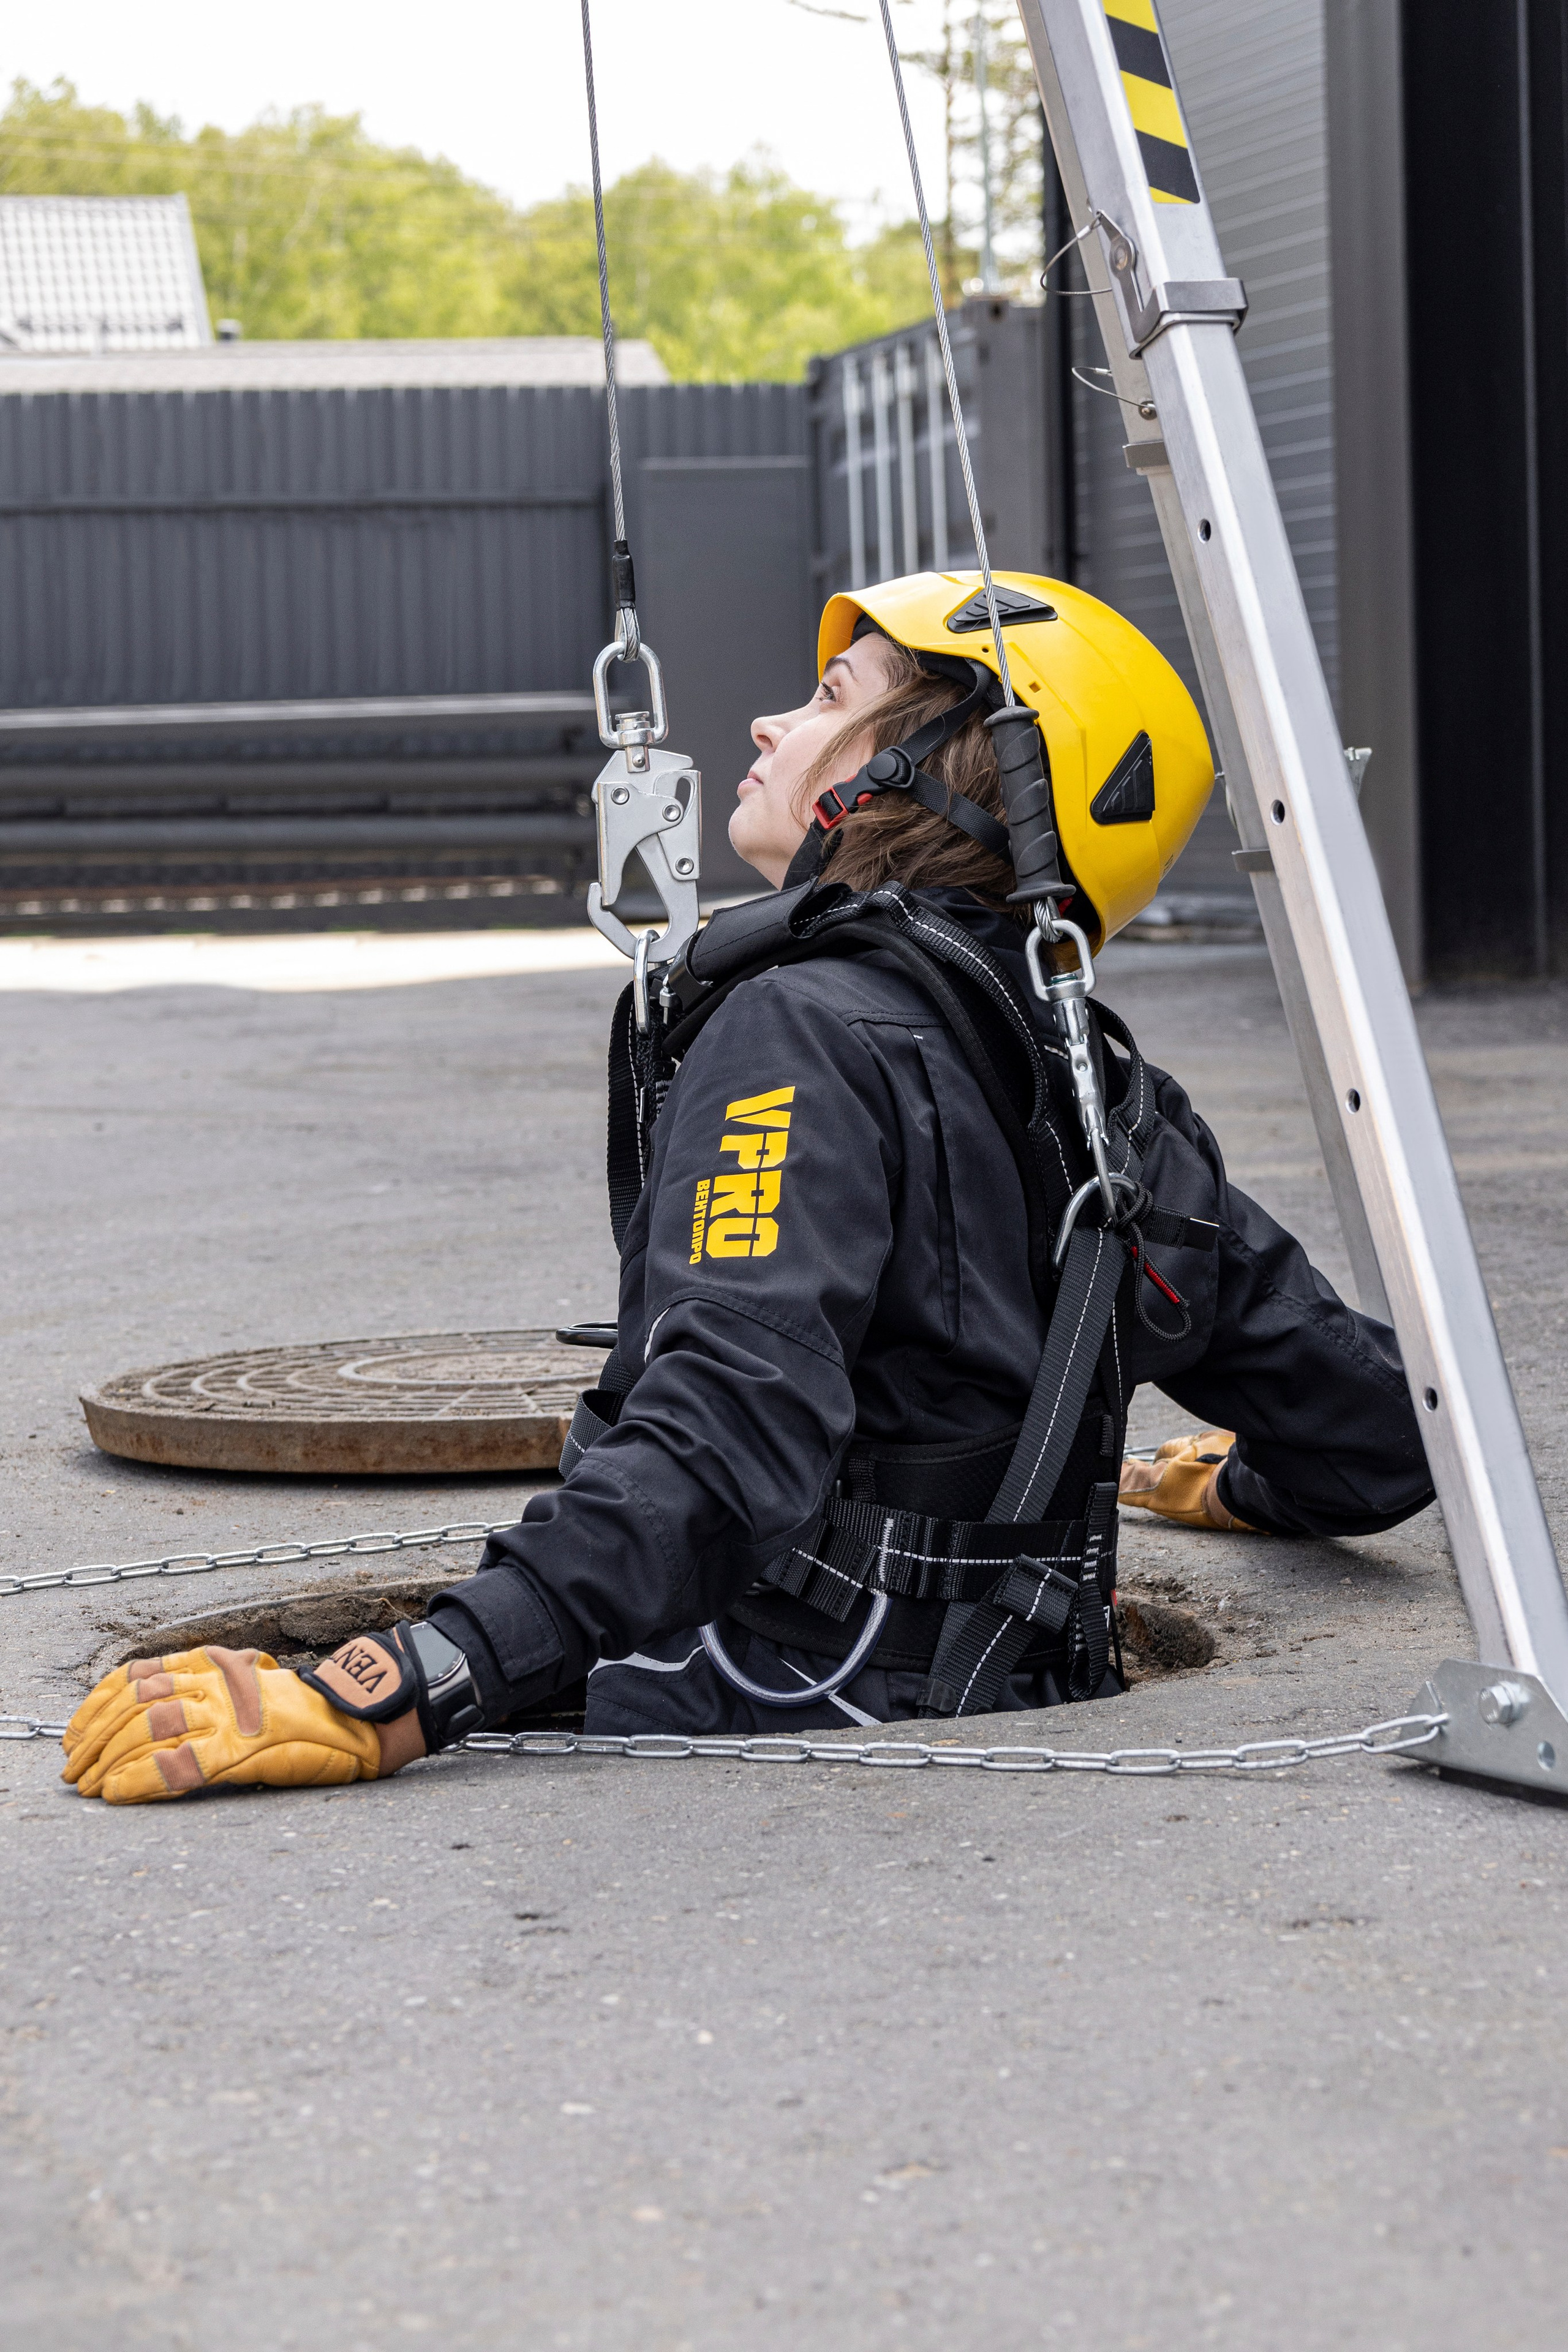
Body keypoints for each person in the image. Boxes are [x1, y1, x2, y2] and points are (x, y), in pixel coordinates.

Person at [62, 570, 1435, 1804]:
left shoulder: (799, 1030)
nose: (771, 725)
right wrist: (1244, 1488)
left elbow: (725, 1443)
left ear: (930, 768)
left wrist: (417, 1676)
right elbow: (1377, 1434)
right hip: (1009, 1697)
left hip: (778, 1710)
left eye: (829, 698)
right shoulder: (1106, 1090)